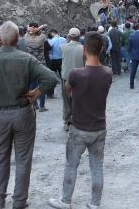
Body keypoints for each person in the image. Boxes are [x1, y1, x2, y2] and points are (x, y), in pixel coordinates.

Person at [0, 21, 57, 209]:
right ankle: (19, 201)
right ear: (18, 39)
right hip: (23, 112)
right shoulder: (26, 59)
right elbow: (51, 78)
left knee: (1, 157)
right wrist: (37, 92)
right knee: (23, 159)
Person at [48, 32, 112, 209]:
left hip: (79, 127)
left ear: (84, 50)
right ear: (101, 50)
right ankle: (95, 203)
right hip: (99, 127)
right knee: (97, 166)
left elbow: (67, 90)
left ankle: (65, 201)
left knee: (71, 165)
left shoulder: (76, 74)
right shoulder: (108, 73)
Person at [60, 28, 84, 132]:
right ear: (79, 36)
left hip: (66, 77)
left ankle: (67, 122)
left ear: (69, 36)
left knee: (66, 101)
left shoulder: (63, 47)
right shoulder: (83, 48)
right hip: (80, 77)